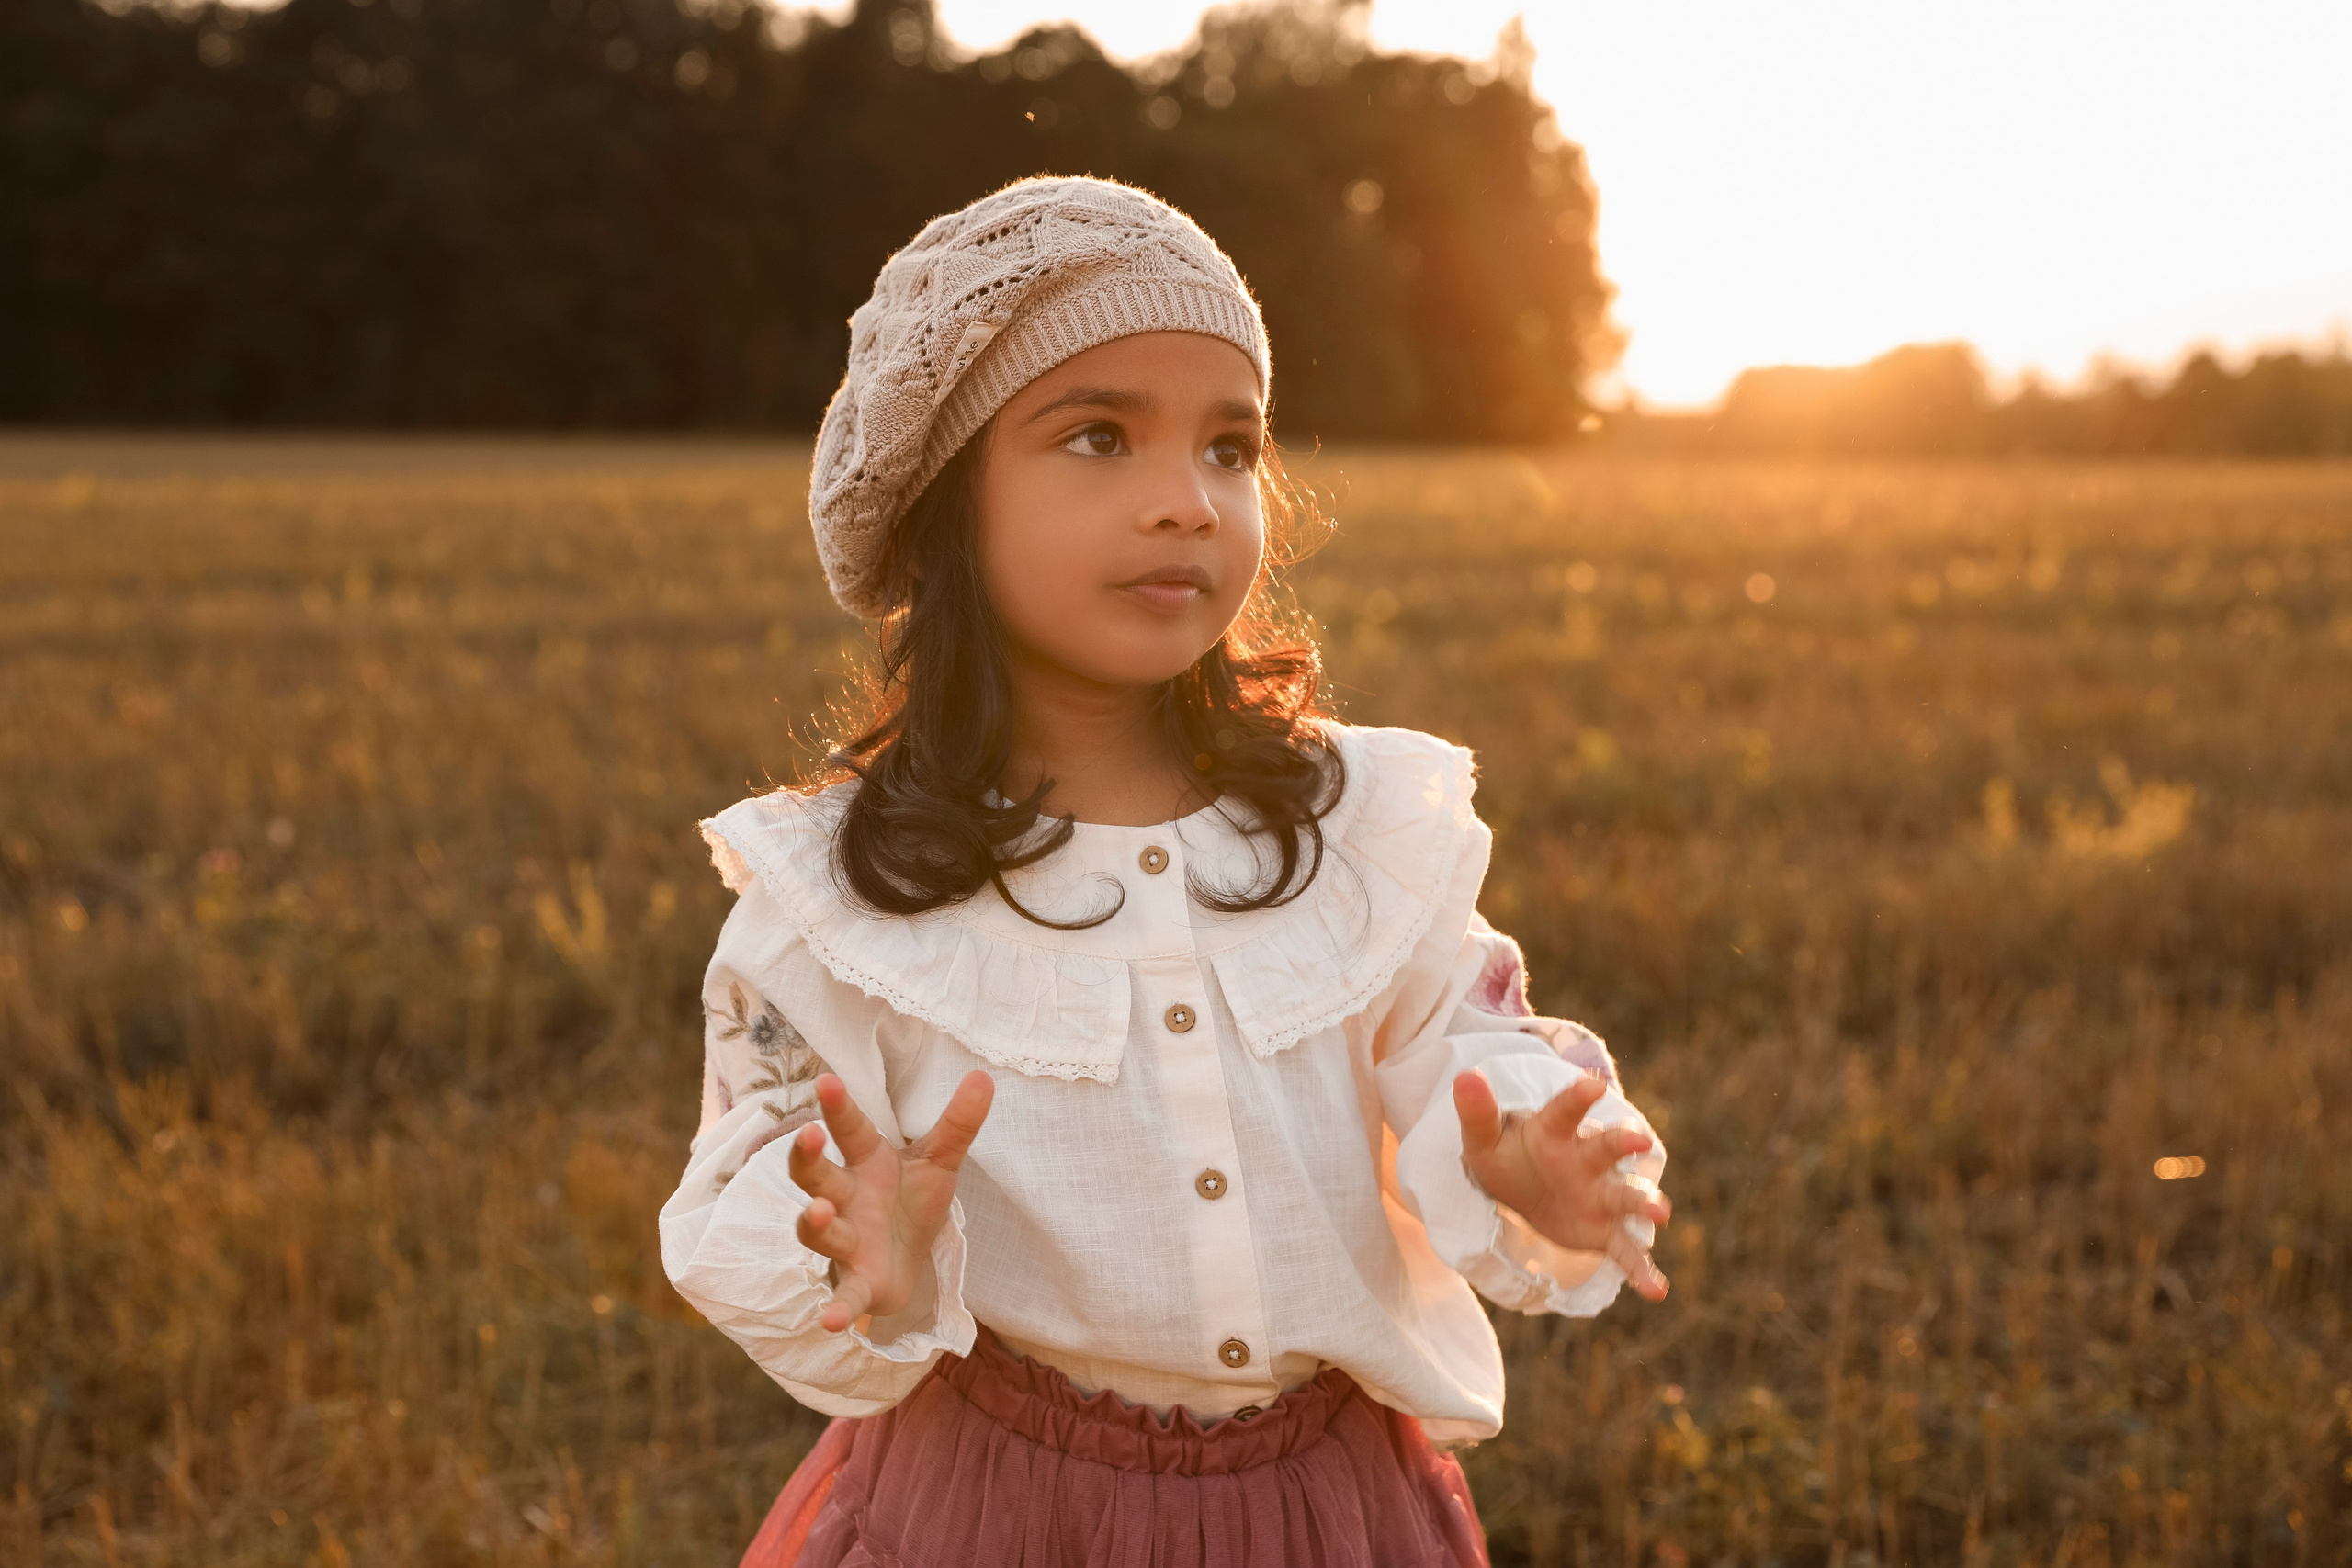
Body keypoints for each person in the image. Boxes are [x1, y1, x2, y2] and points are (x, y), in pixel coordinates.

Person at [659, 175, 1671, 1568]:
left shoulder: (1351, 826)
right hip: (996, 1519)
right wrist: (843, 1245)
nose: (1187, 503)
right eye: (1098, 438)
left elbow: (1464, 1039)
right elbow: (768, 1155)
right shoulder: (846, 894)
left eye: (1228, 447)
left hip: (1326, 1514)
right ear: (950, 501)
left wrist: (1522, 1150)